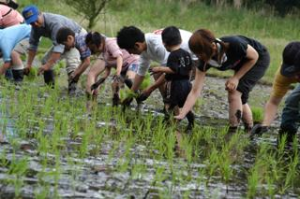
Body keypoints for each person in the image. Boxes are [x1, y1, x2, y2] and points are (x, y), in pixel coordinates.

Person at [175, 29, 270, 133]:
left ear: (213, 46)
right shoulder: (203, 61)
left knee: (234, 92)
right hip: (241, 63)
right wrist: (182, 115)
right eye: (197, 54)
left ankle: (232, 132)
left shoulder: (234, 44)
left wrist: (236, 78)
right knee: (240, 98)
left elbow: (254, 56)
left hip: (257, 60)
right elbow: (195, 91)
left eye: (201, 54)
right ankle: (249, 130)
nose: (199, 57)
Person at [116, 26, 197, 104]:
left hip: (196, 58)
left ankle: (176, 111)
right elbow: (140, 74)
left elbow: (170, 72)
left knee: (174, 83)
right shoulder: (144, 46)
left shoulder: (158, 46)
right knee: (158, 74)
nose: (130, 53)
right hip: (181, 61)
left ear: (137, 45)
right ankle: (167, 105)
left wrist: (150, 89)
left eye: (129, 50)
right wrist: (130, 95)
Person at [22, 5, 86, 94]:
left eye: (36, 20)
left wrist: (48, 66)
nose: (35, 24)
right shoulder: (35, 28)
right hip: (62, 40)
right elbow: (33, 45)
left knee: (72, 63)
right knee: (45, 60)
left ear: (40, 13)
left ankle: (72, 92)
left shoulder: (54, 23)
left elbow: (58, 48)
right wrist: (28, 64)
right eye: (32, 23)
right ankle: (49, 88)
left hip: (76, 36)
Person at [251, 42, 300, 144]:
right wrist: (265, 125)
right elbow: (273, 102)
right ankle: (287, 139)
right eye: (292, 72)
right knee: (291, 102)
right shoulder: (283, 75)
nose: (295, 77)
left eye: (298, 72)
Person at [150, 26, 194, 130]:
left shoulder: (173, 55)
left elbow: (173, 69)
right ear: (181, 40)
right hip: (187, 84)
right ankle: (191, 123)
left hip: (175, 84)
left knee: (169, 104)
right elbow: (191, 68)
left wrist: (159, 69)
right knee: (184, 105)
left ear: (164, 43)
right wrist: (188, 80)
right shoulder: (187, 54)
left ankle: (169, 124)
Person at [84, 31, 139, 106]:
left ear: (98, 44)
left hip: (133, 62)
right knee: (114, 86)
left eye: (92, 49)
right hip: (123, 68)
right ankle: (119, 103)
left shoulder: (110, 43)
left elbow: (119, 57)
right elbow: (107, 71)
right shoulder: (104, 52)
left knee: (128, 79)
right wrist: (97, 83)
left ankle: (138, 97)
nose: (92, 52)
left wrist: (118, 73)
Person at [0, 3, 25, 80]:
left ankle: (11, 78)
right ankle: (10, 78)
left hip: (18, 27)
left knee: (10, 53)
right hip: (14, 26)